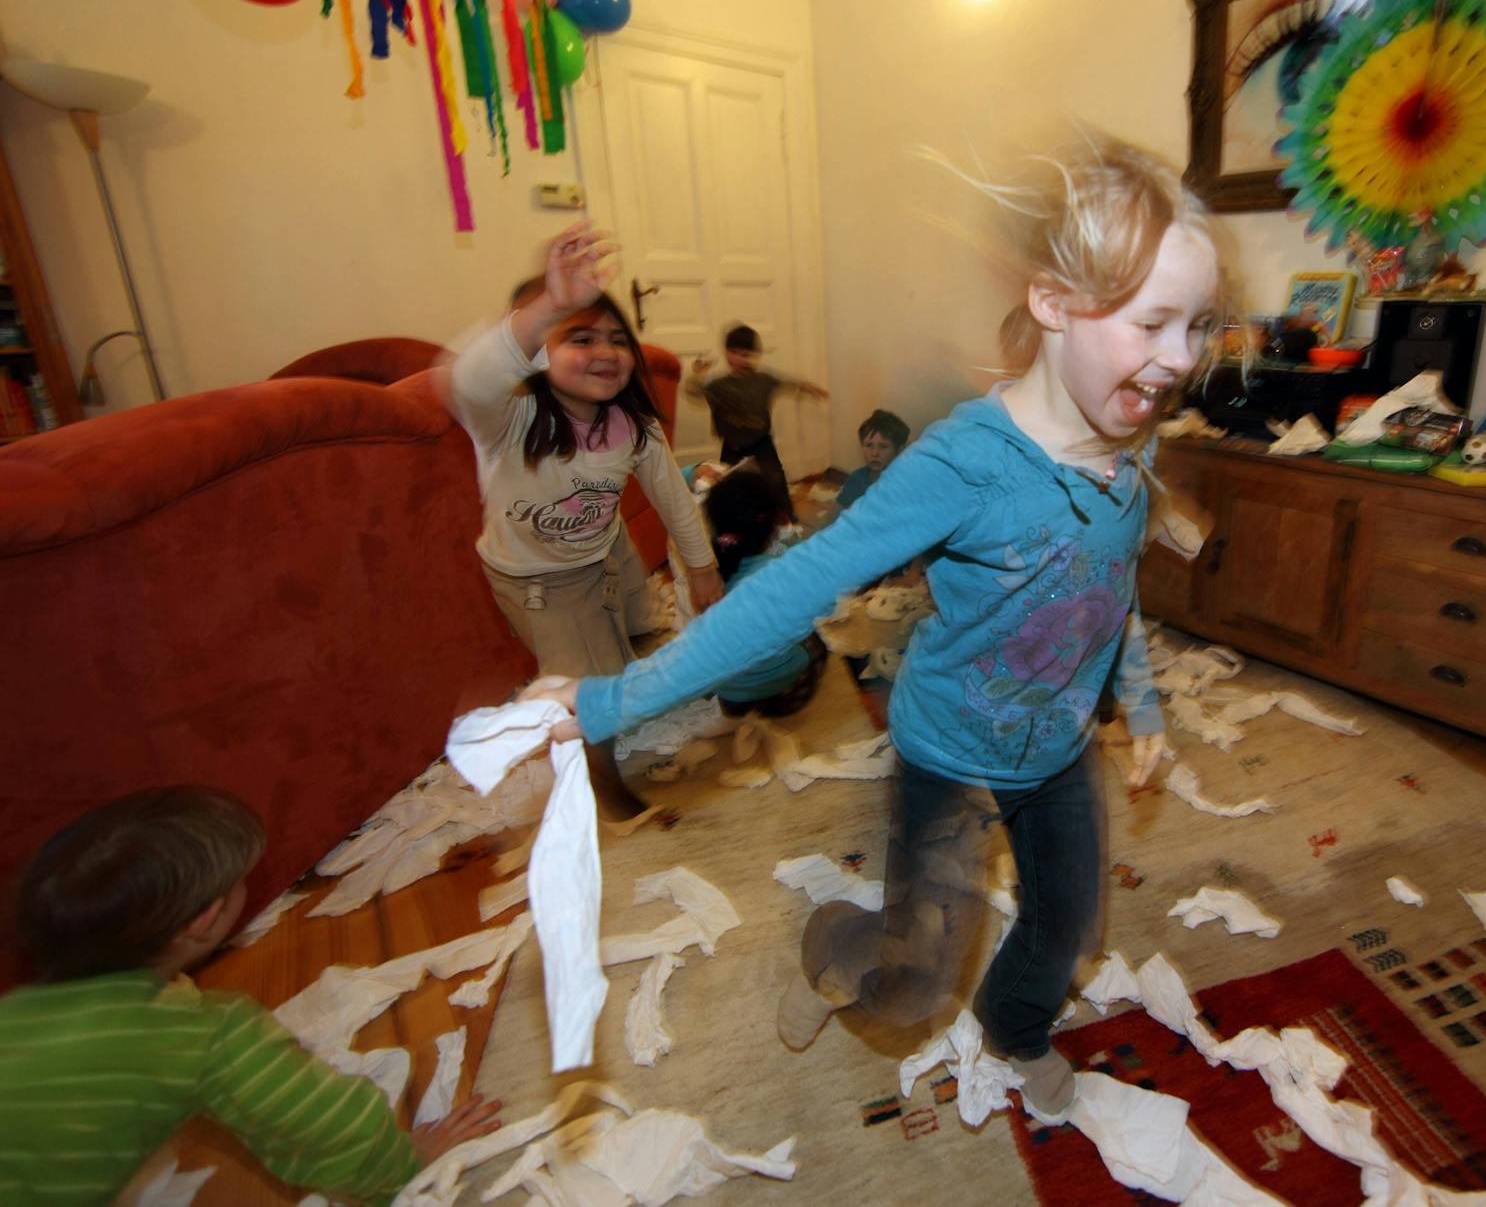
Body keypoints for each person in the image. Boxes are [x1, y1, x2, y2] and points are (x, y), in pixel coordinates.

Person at [525, 136, 1219, 1120]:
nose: (1182, 357)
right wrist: (609, 698)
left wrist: (1140, 705)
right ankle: (831, 941)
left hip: (1061, 745)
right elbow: (791, 586)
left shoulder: (1126, 437)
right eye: (1153, 322)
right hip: (948, 746)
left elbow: (1106, 582)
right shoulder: (963, 463)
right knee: (909, 987)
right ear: (1053, 303)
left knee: (1068, 928)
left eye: (1197, 325)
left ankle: (1014, 1029)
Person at [0, 786, 502, 1205]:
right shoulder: (205, 1038)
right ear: (204, 921)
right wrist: (404, 1167)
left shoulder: (17, 1014)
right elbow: (330, 1128)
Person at [437, 224, 725, 815]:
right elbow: (467, 379)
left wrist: (702, 571)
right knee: (590, 690)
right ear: (537, 352)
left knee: (621, 638)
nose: (603, 353)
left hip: (602, 548)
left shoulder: (633, 426)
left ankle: (614, 650)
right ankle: (605, 788)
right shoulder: (509, 418)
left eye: (617, 340)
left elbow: (674, 499)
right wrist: (549, 305)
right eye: (579, 337)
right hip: (536, 579)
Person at [701, 466, 828, 718]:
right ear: (774, 521)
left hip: (732, 697)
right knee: (816, 641)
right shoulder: (786, 564)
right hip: (786, 694)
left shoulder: (710, 572)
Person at [686, 324, 829, 524]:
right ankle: (733, 521)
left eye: (748, 354)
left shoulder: (764, 379)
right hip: (732, 446)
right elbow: (693, 392)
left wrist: (808, 387)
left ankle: (788, 516)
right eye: (736, 353)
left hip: (761, 442)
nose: (742, 359)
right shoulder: (717, 384)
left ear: (757, 354)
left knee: (776, 479)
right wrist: (697, 376)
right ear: (727, 354)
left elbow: (788, 381)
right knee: (729, 484)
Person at [835, 409, 911, 510]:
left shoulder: (903, 484)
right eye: (869, 445)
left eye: (883, 446)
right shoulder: (857, 479)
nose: (874, 453)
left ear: (900, 450)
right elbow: (837, 510)